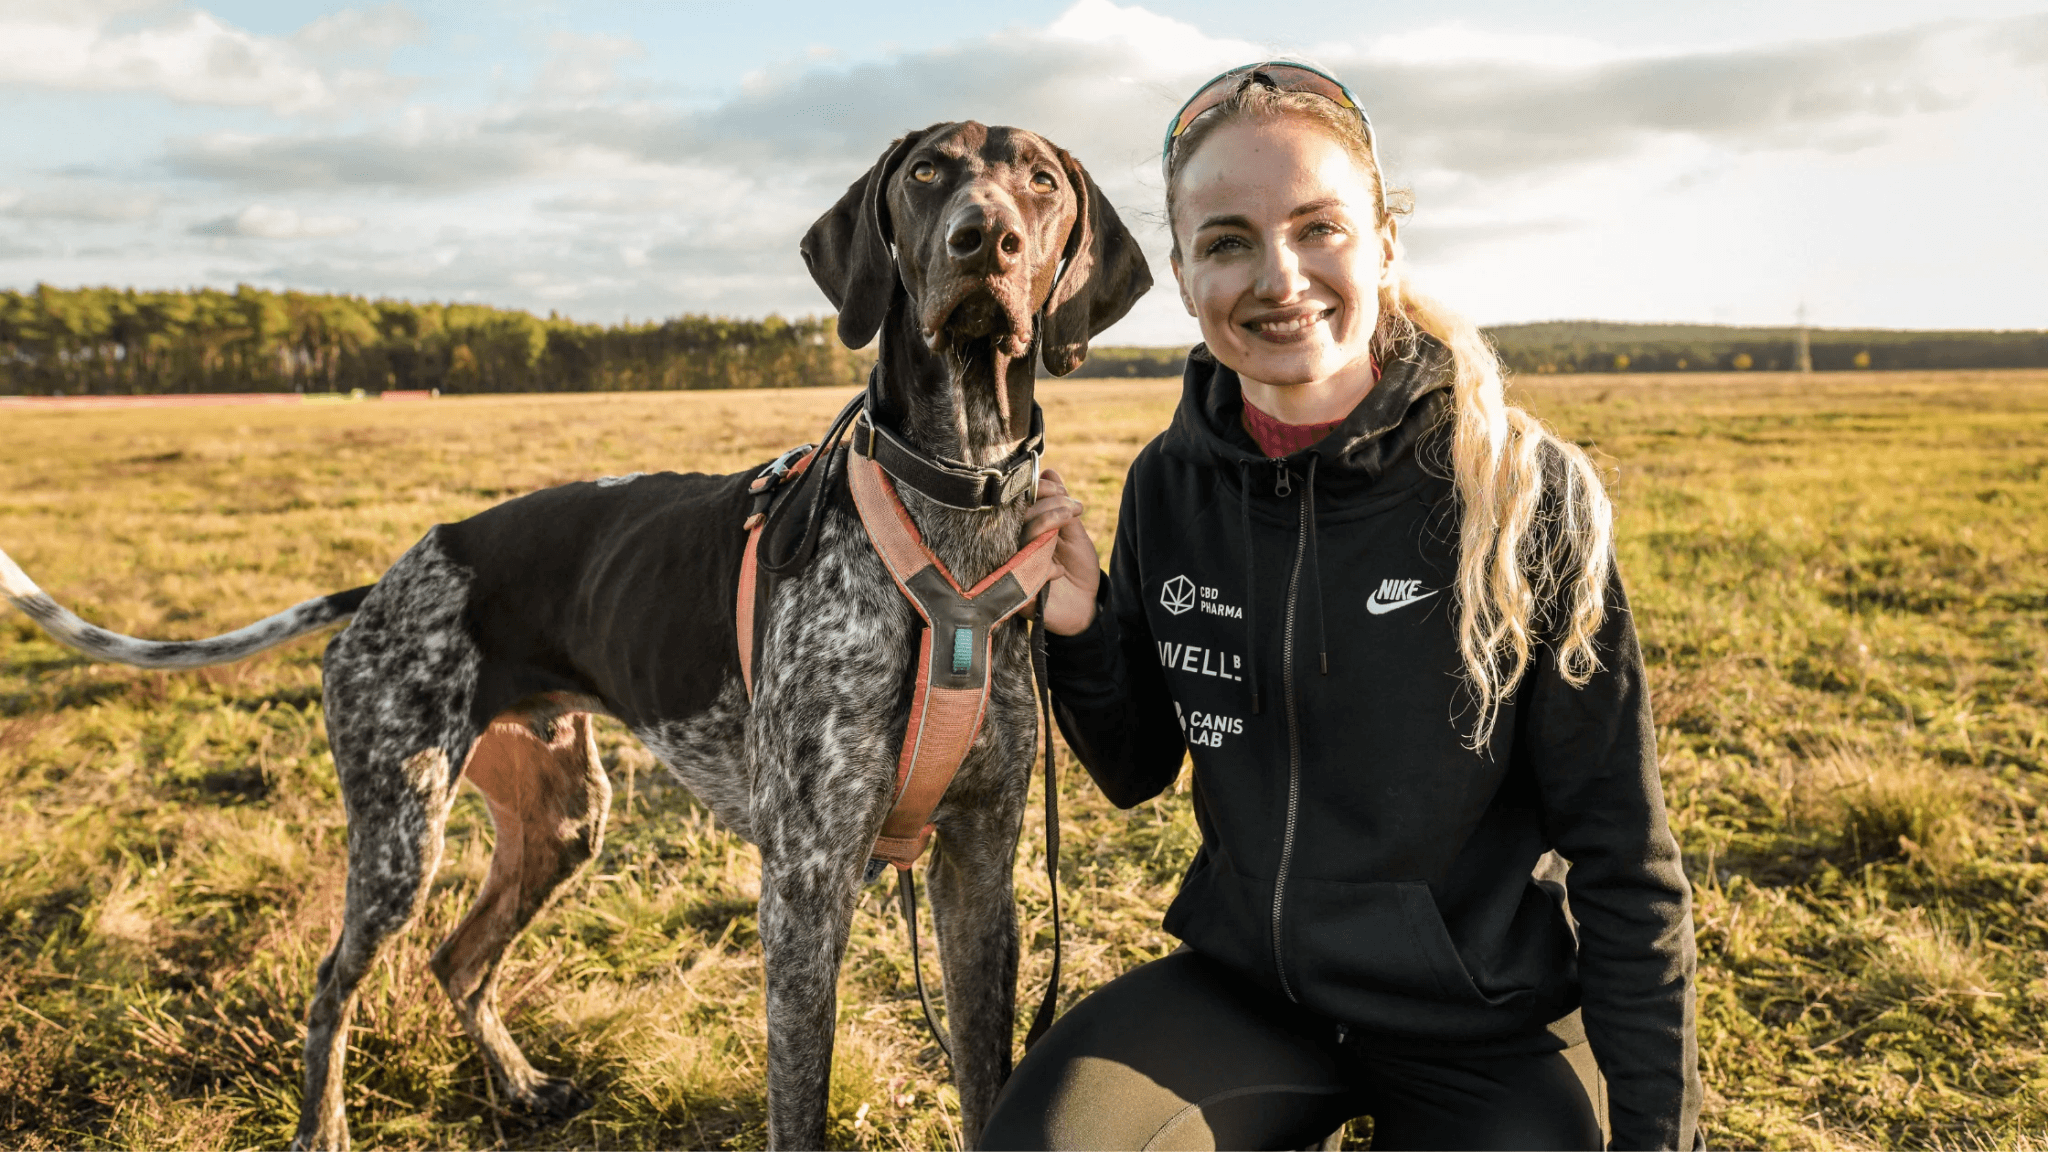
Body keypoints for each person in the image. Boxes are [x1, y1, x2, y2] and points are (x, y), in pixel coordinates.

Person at [981, 63, 1701, 1151]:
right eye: (1226, 241)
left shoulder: (1521, 495)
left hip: (1483, 1026)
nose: (1280, 278)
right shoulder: (1171, 483)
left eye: (1318, 228)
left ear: (1384, 244)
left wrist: (1658, 1139)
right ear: (1181, 273)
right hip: (1251, 996)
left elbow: (1623, 858)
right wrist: (1079, 627)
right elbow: (1135, 769)